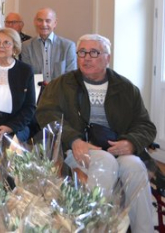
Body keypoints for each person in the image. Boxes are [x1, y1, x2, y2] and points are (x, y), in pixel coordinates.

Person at [36, 34, 157, 233]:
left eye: (94, 52)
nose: (86, 57)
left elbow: (145, 125)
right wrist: (74, 139)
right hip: (78, 149)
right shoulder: (62, 84)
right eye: (82, 52)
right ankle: (93, 228)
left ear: (107, 58)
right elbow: (46, 114)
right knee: (105, 161)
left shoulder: (125, 87)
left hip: (118, 148)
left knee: (135, 165)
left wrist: (131, 143)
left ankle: (144, 230)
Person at [20, 7, 77, 83]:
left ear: (55, 23)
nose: (44, 24)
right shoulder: (26, 46)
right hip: (36, 91)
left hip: (61, 92)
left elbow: (71, 76)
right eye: (40, 20)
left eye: (48, 21)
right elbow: (27, 74)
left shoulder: (68, 46)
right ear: (35, 22)